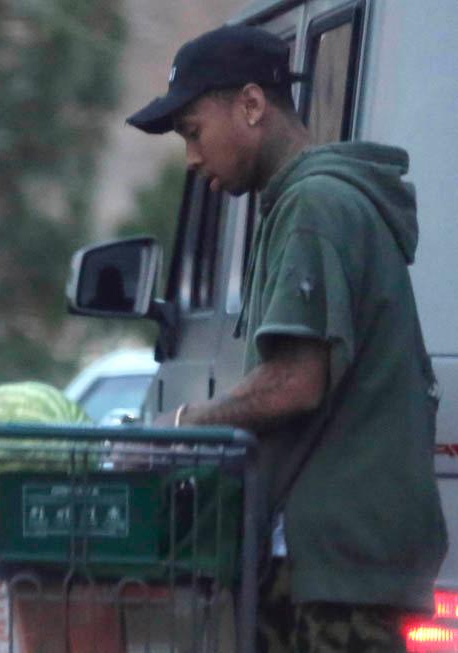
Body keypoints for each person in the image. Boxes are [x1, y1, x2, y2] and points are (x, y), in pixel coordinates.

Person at [126, 25, 446, 651]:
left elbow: (297, 381)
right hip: (323, 561)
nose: (192, 158)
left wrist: (183, 425)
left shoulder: (316, 205)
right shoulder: (300, 203)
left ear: (250, 104)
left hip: (342, 570)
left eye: (193, 131)